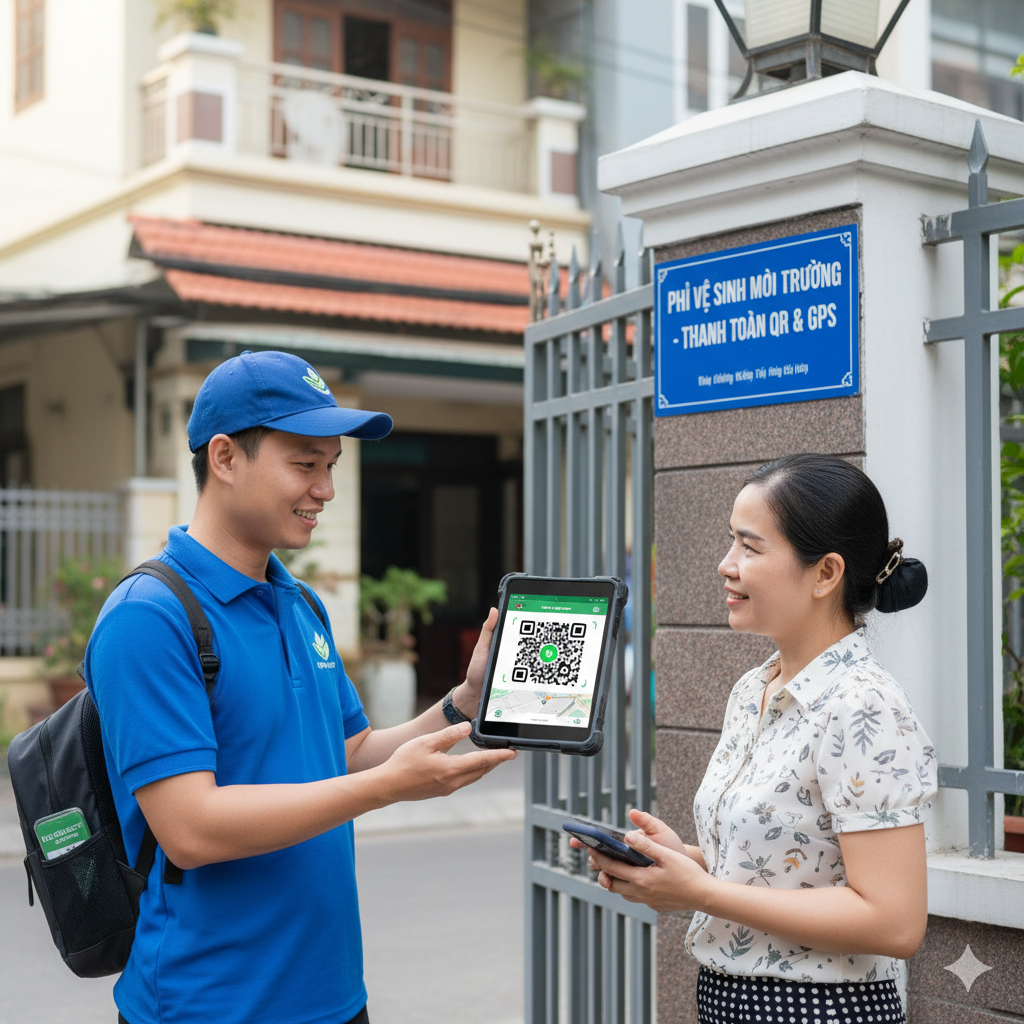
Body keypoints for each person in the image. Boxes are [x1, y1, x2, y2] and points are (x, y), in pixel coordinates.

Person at [85, 350, 516, 1024]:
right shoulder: (150, 617)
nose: (326, 490)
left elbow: (346, 753)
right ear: (224, 458)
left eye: (331, 466)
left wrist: (463, 699)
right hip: (212, 1006)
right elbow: (190, 830)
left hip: (333, 997)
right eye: (305, 464)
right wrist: (386, 790)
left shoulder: (299, 603)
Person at [571, 453, 935, 1024]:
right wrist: (682, 861)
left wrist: (699, 893)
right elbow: (789, 866)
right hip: (725, 1001)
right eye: (730, 542)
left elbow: (895, 921)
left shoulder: (863, 703)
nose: (725, 565)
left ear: (825, 573)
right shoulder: (754, 687)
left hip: (822, 1011)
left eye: (750, 547)